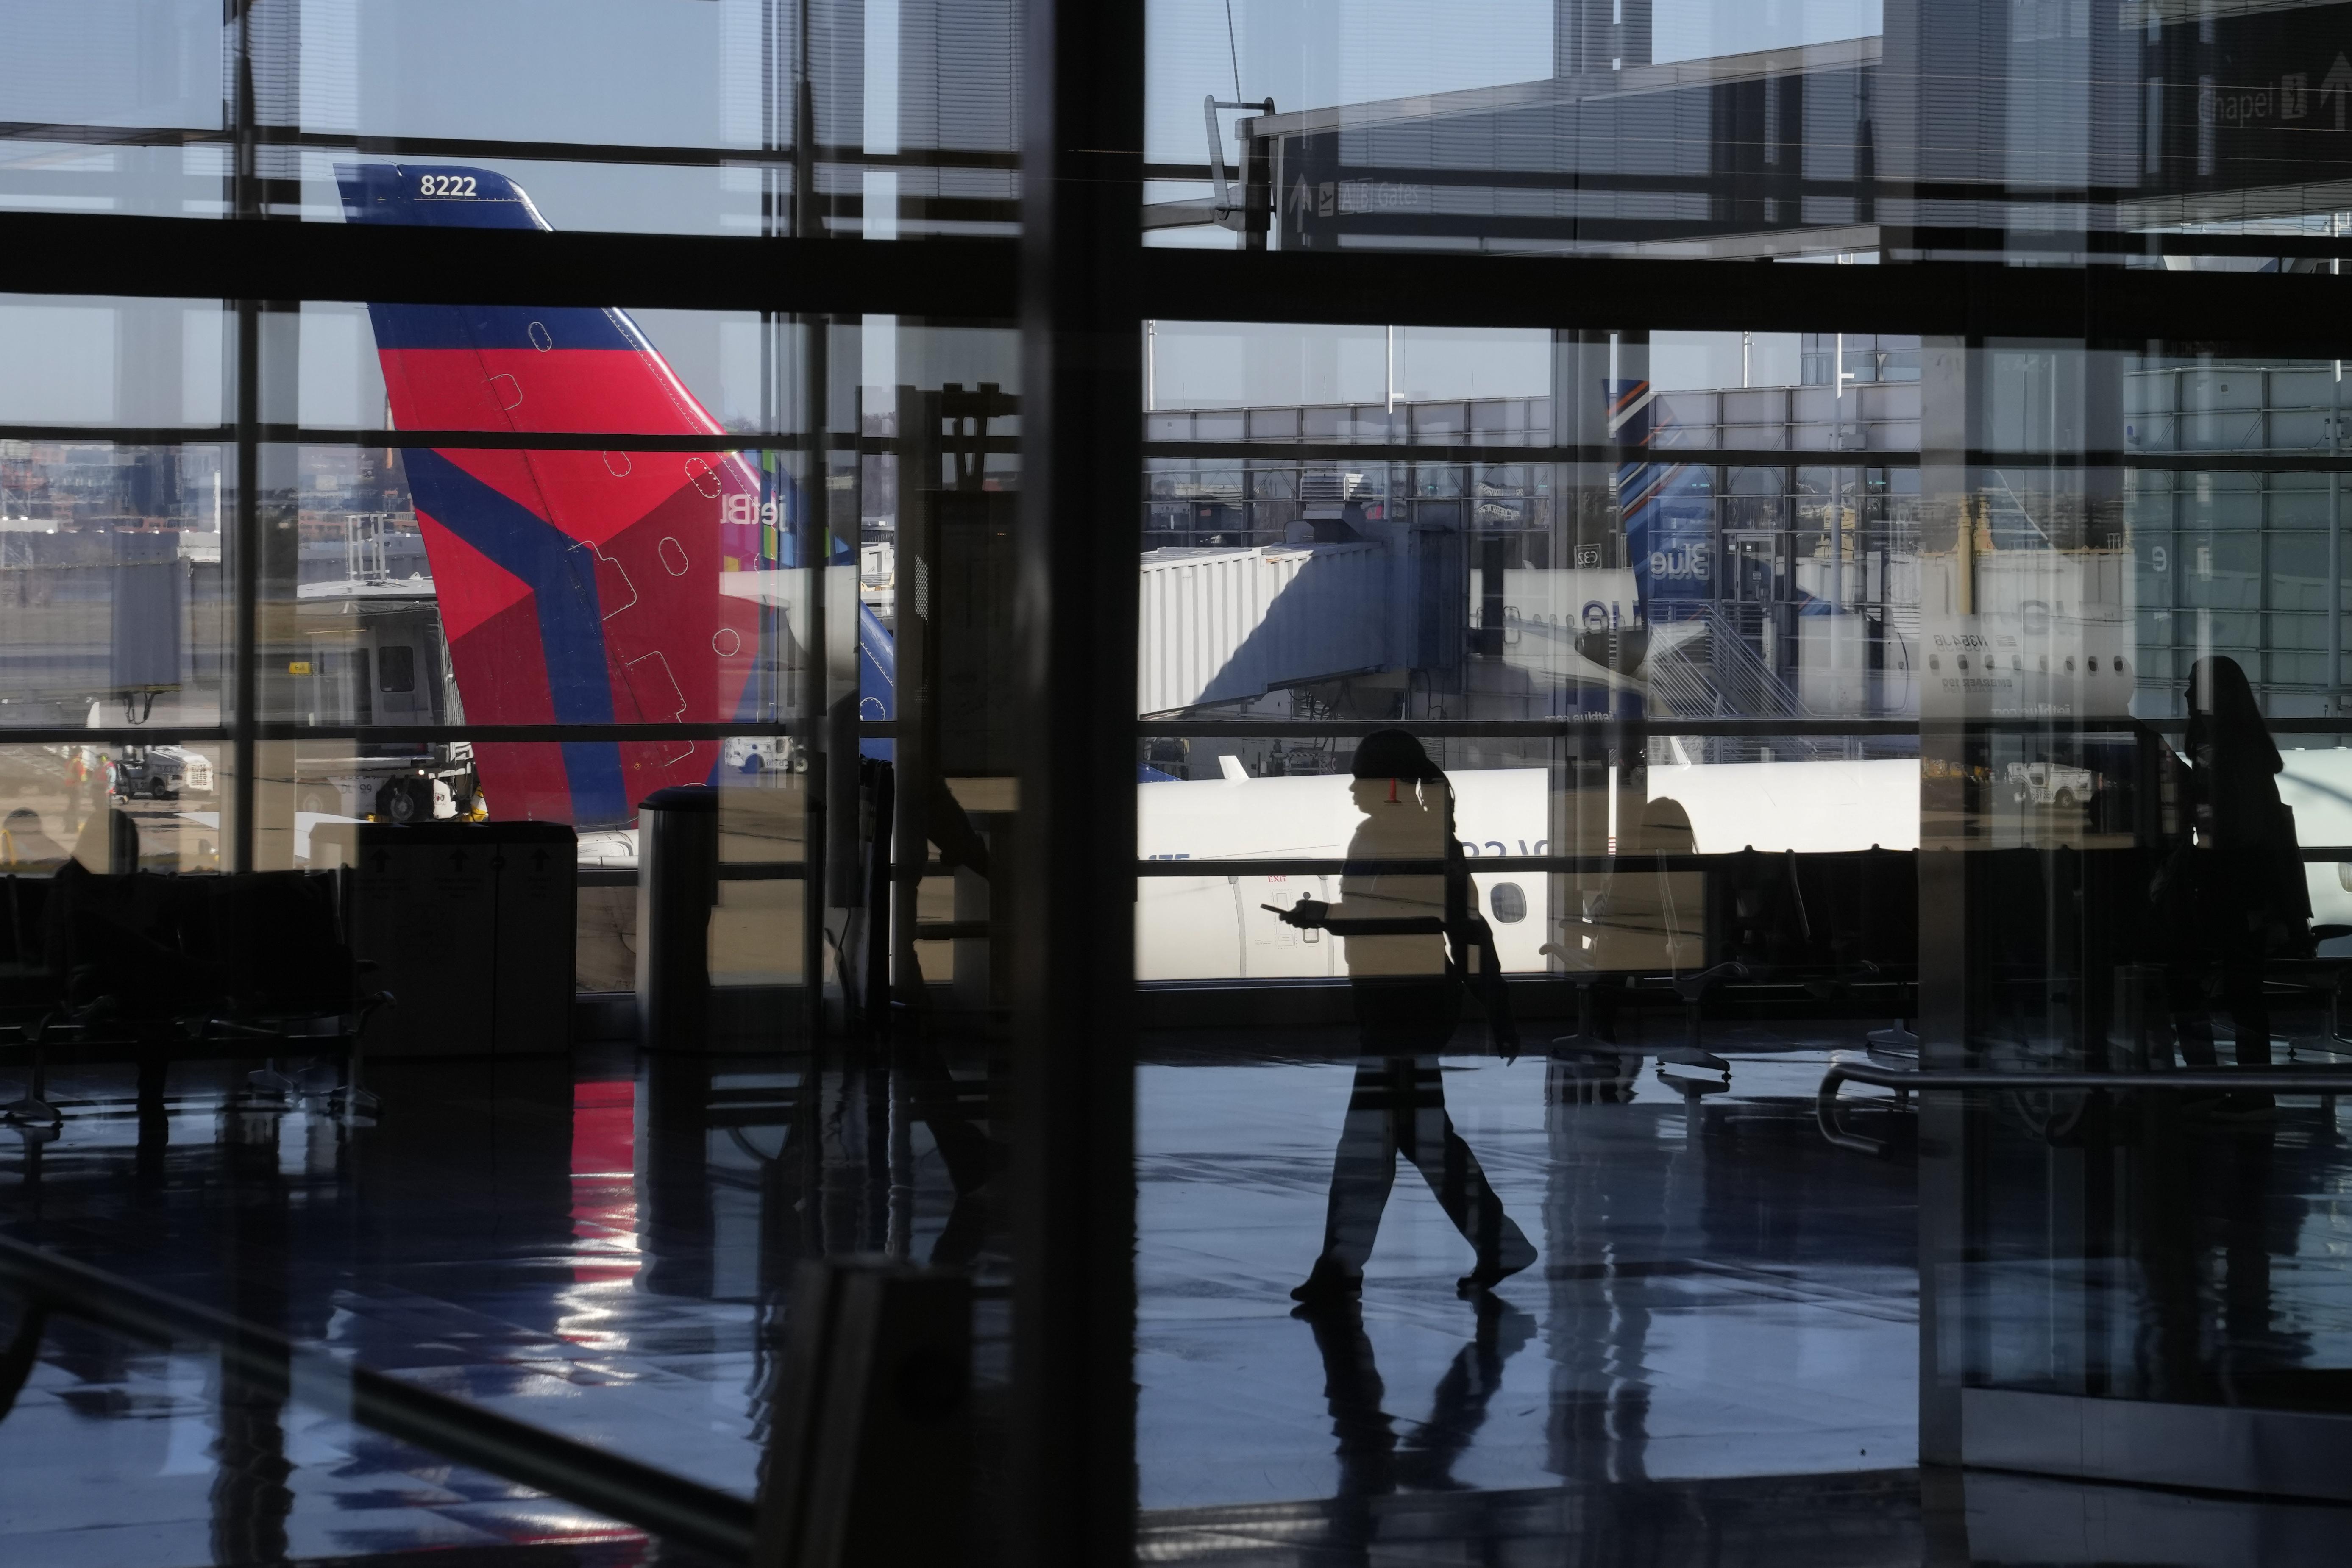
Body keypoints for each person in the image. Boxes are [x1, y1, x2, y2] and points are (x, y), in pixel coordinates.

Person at [1280, 728, 1536, 1304]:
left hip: (1399, 1006)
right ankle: (1495, 1243)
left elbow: (1396, 922)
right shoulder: (1424, 840)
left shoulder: (1390, 841)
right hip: (1407, 1003)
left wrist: (1326, 915)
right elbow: (1461, 933)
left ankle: (1343, 1268)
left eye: (1360, 778)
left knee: (1374, 1143)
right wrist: (1499, 1013)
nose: (1350, 788)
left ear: (1388, 784)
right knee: (1417, 1139)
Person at [2158, 656, 2307, 1118]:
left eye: (2191, 688)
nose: (2184, 696)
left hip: (2228, 886)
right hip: (2244, 889)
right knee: (2241, 988)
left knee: (2187, 979)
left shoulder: (2223, 756)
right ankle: (2247, 1088)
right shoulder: (2242, 753)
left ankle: (2217, 1081)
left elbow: (2223, 830)